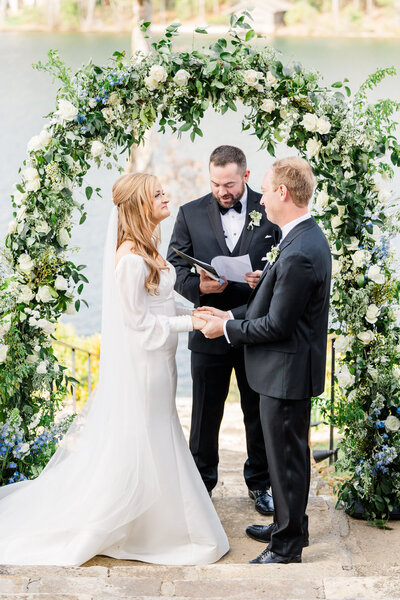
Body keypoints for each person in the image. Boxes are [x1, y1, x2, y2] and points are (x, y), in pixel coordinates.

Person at [0, 173, 229, 566]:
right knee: (150, 437)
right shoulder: (128, 261)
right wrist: (189, 324)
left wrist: (194, 309)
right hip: (145, 368)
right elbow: (139, 327)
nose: (165, 196)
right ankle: (149, 528)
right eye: (157, 194)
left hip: (162, 365)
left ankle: (157, 520)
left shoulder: (150, 248)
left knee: (160, 435)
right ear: (141, 205)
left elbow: (162, 299)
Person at [198, 157, 331, 564]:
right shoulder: (299, 237)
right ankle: (286, 526)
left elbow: (277, 325)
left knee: (288, 461)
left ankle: (288, 545)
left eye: (267, 191)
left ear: (282, 193)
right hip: (282, 371)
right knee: (282, 456)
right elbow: (269, 302)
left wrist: (225, 331)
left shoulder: (299, 252)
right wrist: (231, 315)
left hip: (286, 373)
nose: (261, 204)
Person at [167, 146, 279, 514]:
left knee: (256, 411)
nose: (222, 192)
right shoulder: (189, 213)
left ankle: (260, 484)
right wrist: (198, 287)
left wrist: (265, 278)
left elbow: (287, 265)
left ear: (246, 176)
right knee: (204, 414)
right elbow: (174, 271)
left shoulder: (272, 210)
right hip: (207, 329)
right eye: (215, 184)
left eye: (229, 184)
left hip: (254, 328)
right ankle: (202, 485)